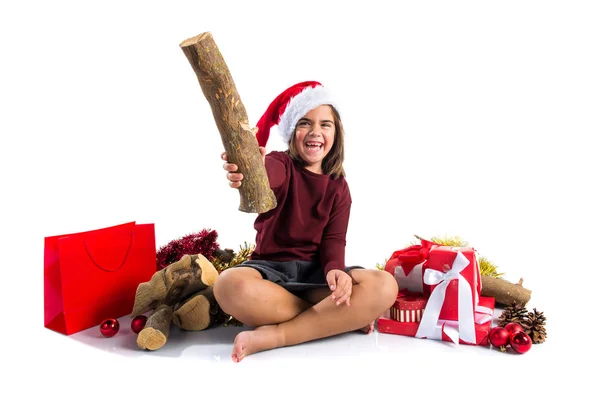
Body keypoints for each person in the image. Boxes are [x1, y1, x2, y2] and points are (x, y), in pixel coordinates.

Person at [213, 81, 398, 363]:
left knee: (385, 285)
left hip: (315, 276)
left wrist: (335, 270)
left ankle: (278, 335)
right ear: (291, 133)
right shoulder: (281, 165)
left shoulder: (339, 187)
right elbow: (267, 175)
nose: (315, 132)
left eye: (325, 124)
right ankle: (337, 319)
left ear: (336, 133)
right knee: (228, 285)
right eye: (304, 123)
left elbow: (334, 240)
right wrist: (251, 166)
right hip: (269, 274)